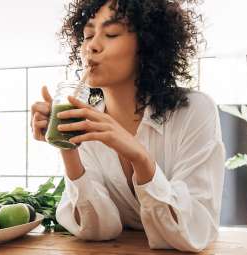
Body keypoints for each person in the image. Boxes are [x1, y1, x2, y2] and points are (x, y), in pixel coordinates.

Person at [30, 0, 224, 252]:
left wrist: (141, 159)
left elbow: (195, 231)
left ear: (147, 45)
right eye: (88, 35)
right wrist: (67, 147)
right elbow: (98, 230)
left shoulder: (194, 111)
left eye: (111, 34)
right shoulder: (84, 120)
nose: (92, 46)